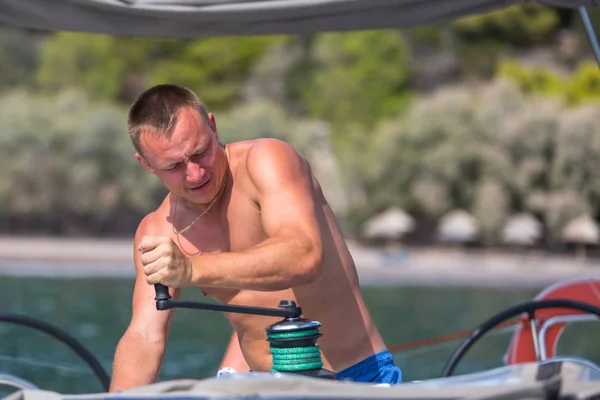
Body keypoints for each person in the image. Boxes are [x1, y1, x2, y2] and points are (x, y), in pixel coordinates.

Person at [109, 84, 402, 392]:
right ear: (147, 165)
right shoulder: (158, 230)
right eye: (175, 166)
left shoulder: (266, 160)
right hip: (261, 388)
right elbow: (144, 336)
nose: (195, 173)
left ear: (212, 125)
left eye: (200, 152)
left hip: (356, 379)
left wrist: (193, 269)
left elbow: (303, 256)